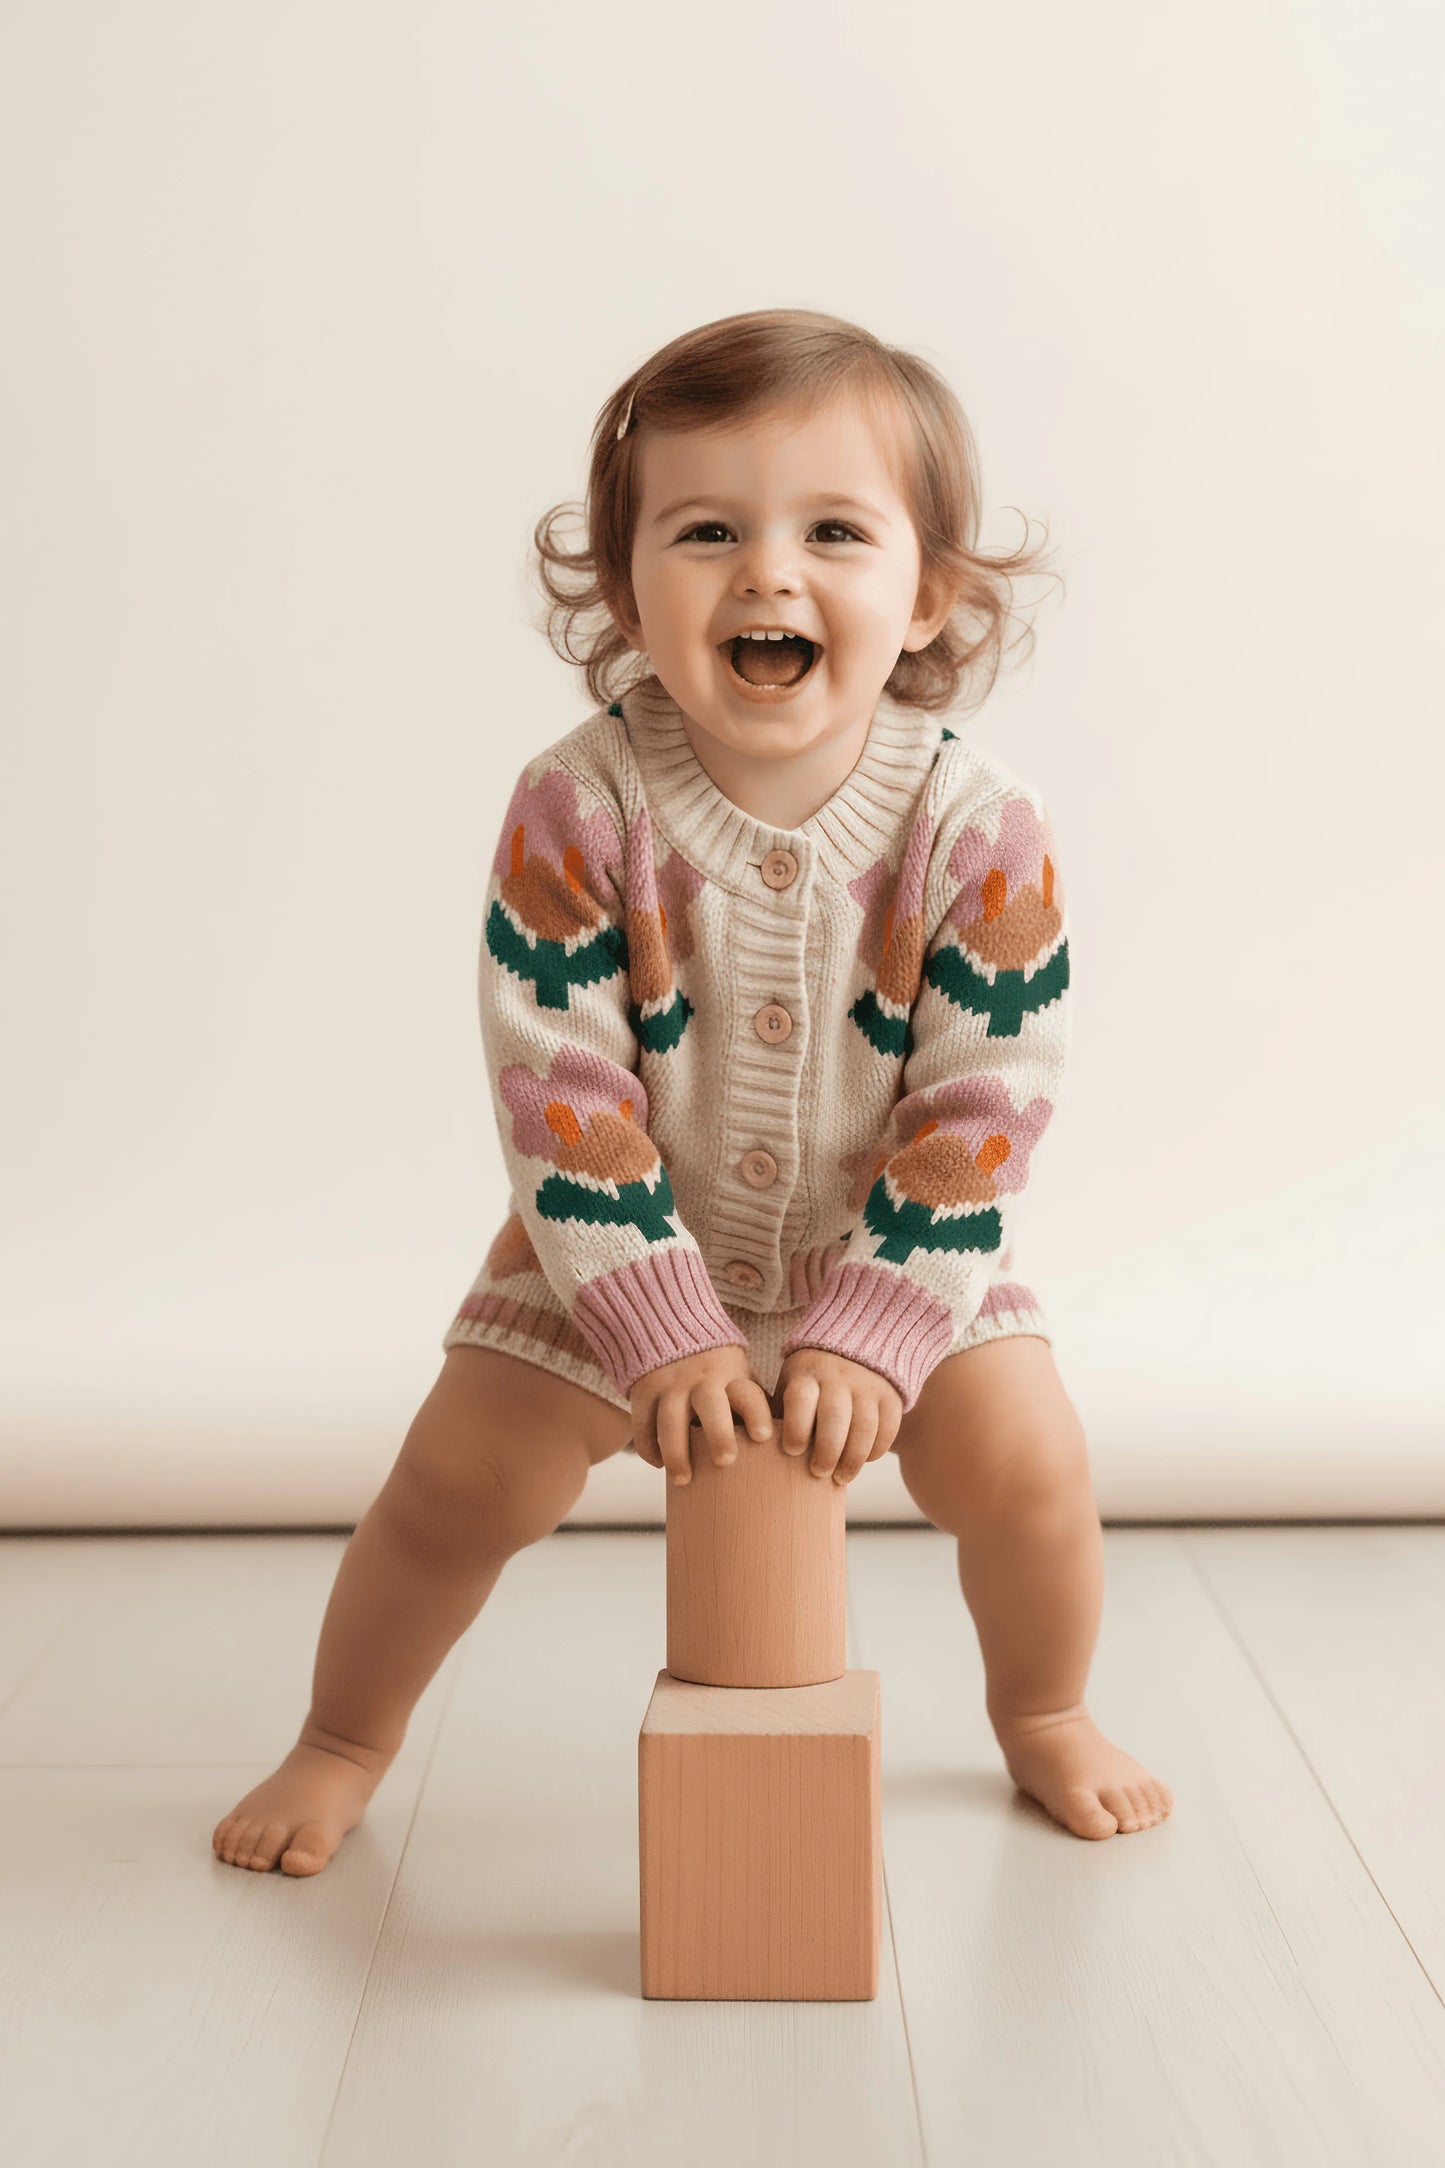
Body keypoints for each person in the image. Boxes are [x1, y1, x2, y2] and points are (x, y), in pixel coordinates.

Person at [212, 307, 1172, 1878]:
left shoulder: (975, 822)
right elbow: (558, 1079)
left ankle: (1045, 1709)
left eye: (833, 531)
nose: (767, 574)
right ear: (623, 580)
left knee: (1030, 1467)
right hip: (611, 1257)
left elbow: (985, 1102)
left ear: (925, 588)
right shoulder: (575, 804)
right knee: (454, 1483)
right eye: (706, 529)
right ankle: (343, 1736)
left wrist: (881, 1320)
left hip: (894, 1260)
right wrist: (649, 1322)